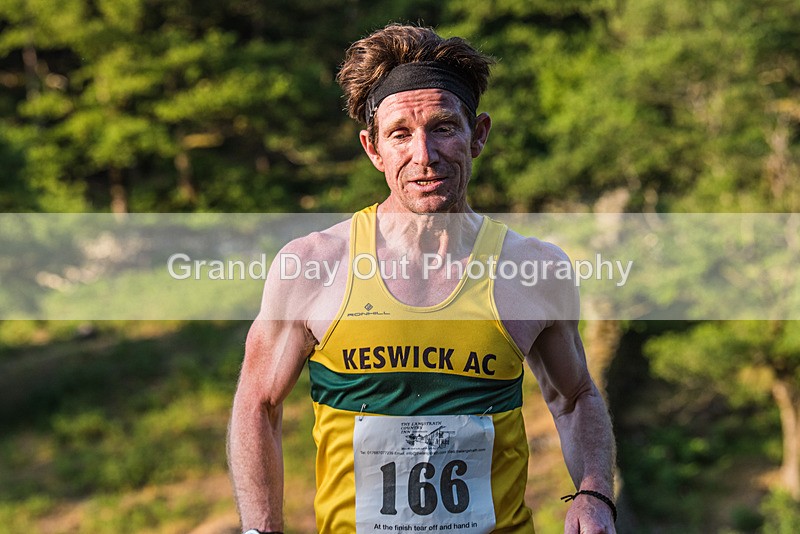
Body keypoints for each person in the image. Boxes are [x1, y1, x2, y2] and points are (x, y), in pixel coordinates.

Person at [228, 23, 617, 534]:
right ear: (373, 149)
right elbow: (258, 403)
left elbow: (575, 397)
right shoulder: (312, 265)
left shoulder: (536, 269)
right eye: (400, 135)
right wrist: (262, 530)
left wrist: (594, 492)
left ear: (478, 136)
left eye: (442, 127)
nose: (424, 156)